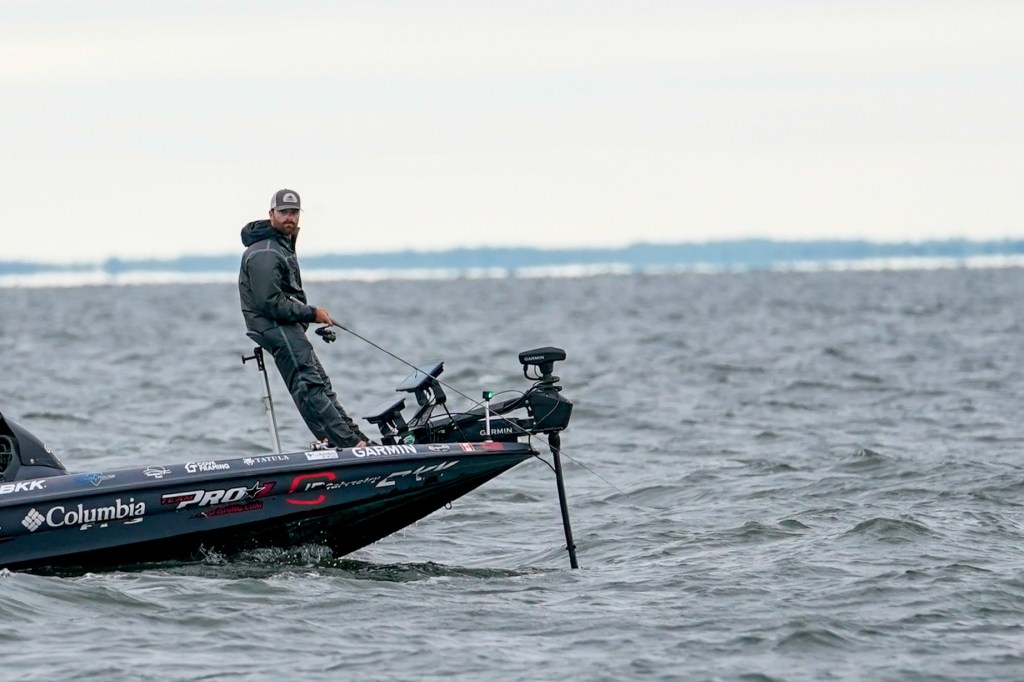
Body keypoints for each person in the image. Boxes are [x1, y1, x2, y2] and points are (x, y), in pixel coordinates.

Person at [238, 188, 370, 448]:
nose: (289, 217)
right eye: (284, 212)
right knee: (309, 385)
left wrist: (308, 315)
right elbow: (269, 302)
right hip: (274, 326)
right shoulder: (266, 251)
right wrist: (312, 313)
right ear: (271, 214)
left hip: (286, 326)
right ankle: (349, 445)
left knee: (320, 384)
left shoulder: (280, 244)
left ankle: (358, 440)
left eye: (294, 212)